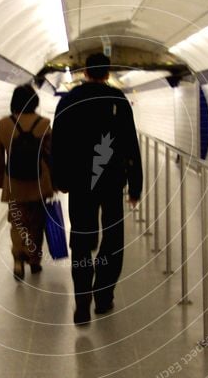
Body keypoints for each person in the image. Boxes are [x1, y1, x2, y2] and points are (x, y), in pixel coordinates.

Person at [51, 53, 143, 325]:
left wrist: (60, 180)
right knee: (112, 238)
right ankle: (103, 296)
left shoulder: (69, 100)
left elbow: (58, 144)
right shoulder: (117, 100)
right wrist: (135, 185)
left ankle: (82, 302)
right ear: (107, 73)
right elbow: (130, 144)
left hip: (80, 182)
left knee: (81, 240)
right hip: (112, 181)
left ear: (85, 72)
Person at [0, 84, 54, 281]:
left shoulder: (4, 125)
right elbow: (51, 155)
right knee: (37, 223)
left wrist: (1, 180)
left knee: (17, 222)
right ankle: (34, 260)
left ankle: (18, 258)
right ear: (34, 101)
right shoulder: (44, 123)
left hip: (14, 184)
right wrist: (55, 182)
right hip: (38, 183)